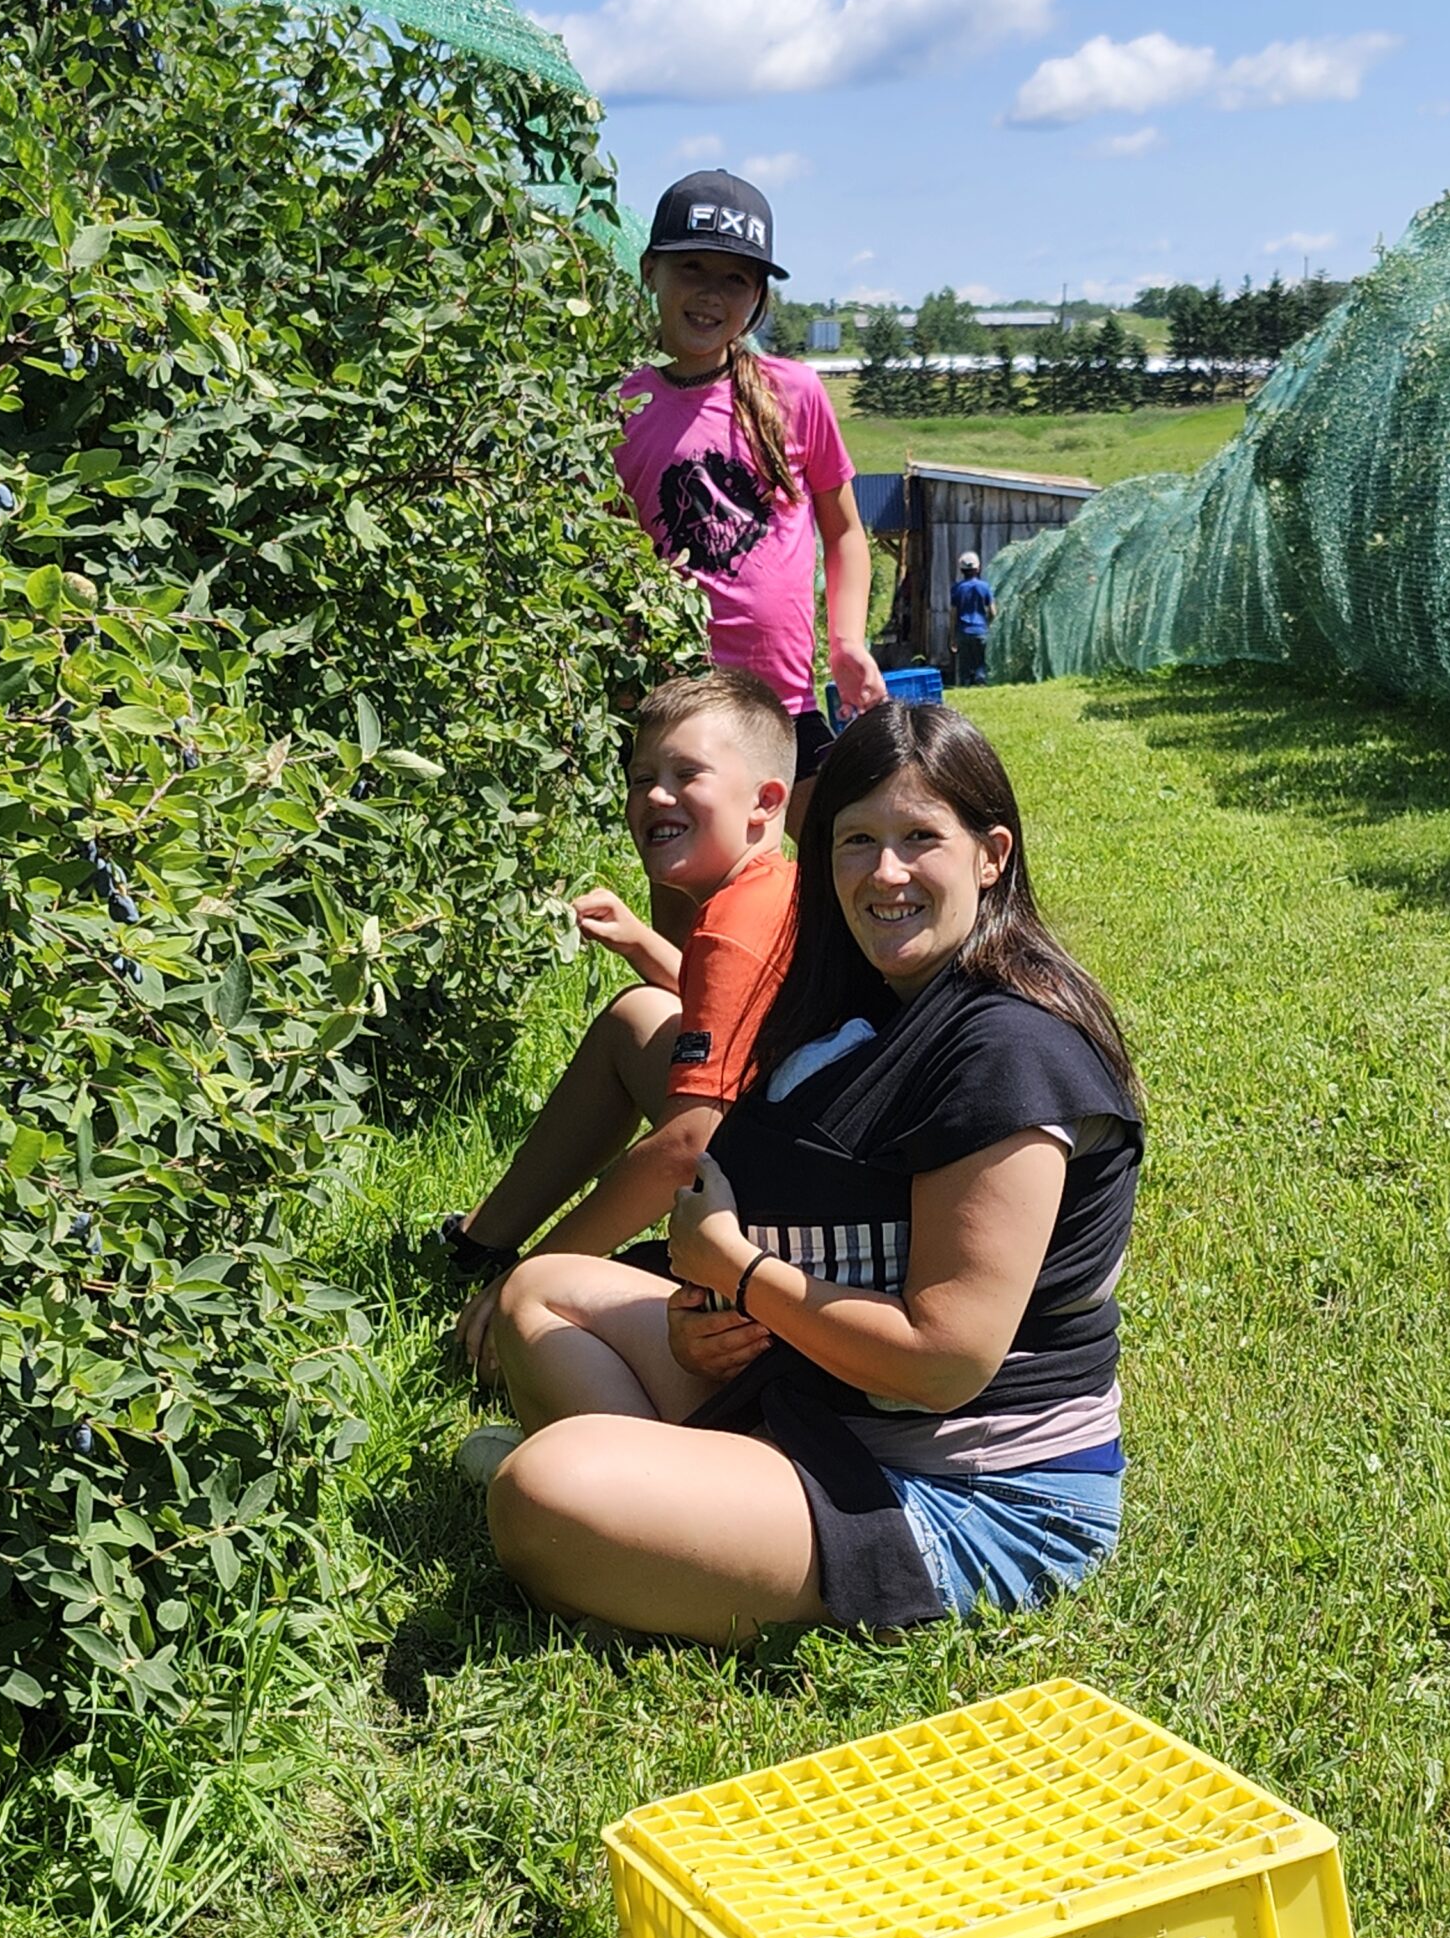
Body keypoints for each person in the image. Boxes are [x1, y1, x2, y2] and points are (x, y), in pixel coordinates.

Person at [479, 700, 1143, 1644]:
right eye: (856, 841)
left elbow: (947, 1359)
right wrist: (708, 1318)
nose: (886, 873)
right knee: (538, 1295)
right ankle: (667, 1516)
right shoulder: (859, 1013)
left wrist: (740, 1277)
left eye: (921, 838)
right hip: (821, 1406)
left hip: (967, 1487)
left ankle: (640, 1523)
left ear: (992, 854)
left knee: (540, 1493)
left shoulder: (1007, 1052)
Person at [443, 670, 798, 1380]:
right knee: (637, 1017)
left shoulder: (735, 927)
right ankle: (483, 1242)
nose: (655, 796)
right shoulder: (773, 889)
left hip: (780, 1224)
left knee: (535, 1318)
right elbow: (728, 1013)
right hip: (790, 1148)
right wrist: (642, 942)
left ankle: (508, 1277)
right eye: (641, 778)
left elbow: (686, 1145)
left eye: (684, 773)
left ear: (764, 803)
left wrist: (547, 1268)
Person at [618, 168, 887, 835]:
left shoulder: (794, 393)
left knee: (835, 860)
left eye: (735, 278)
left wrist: (847, 642)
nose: (710, 294)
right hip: (679, 702)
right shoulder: (618, 409)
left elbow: (845, 531)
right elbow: (606, 558)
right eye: (692, 268)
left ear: (760, 295)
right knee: (691, 895)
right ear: (651, 271)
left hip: (785, 705)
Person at [950, 551, 995, 687]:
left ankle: (966, 686)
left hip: (963, 631)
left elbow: (953, 614)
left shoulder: (957, 588)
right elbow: (993, 611)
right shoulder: (985, 587)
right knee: (980, 663)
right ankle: (980, 684)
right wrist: (989, 625)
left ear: (962, 570)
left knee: (965, 666)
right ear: (978, 568)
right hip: (981, 630)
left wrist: (952, 636)